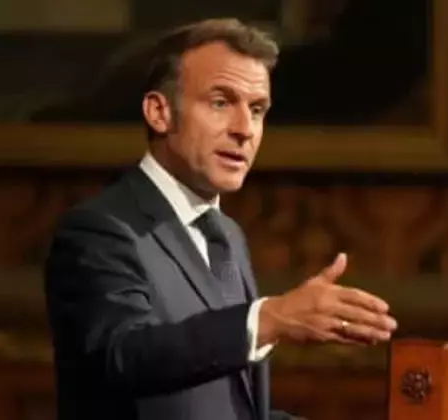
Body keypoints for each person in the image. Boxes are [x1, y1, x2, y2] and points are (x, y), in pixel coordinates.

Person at [43, 18, 398, 420]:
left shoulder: (226, 235)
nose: (245, 130)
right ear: (159, 112)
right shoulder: (100, 230)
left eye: (257, 109)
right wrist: (270, 318)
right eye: (220, 103)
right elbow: (123, 356)